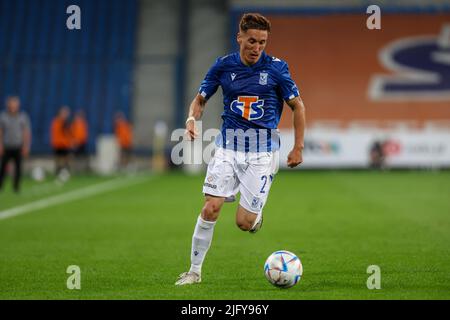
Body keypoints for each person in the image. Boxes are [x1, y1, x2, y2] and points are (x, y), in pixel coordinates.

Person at [175, 13, 306, 285]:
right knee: (211, 207)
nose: (257, 48)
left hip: (262, 152)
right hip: (227, 147)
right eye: (252, 41)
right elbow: (200, 99)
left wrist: (298, 147)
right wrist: (191, 119)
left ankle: (254, 217)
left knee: (244, 223)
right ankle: (194, 271)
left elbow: (298, 107)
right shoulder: (223, 66)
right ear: (240, 38)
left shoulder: (277, 69)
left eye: (262, 42)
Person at [0, 96, 31, 193]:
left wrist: (26, 146)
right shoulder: (3, 116)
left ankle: (16, 187)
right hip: (7, 145)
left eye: (15, 105)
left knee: (18, 168)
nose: (13, 107)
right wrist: (0, 145)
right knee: (3, 168)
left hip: (18, 145)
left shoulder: (23, 116)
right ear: (8, 105)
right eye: (11, 105)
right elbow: (0, 131)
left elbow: (26, 132)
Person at [50, 106, 72, 177]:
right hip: (58, 144)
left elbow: (68, 134)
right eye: (64, 113)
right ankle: (58, 173)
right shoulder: (57, 122)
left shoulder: (65, 122)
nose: (66, 115)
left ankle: (66, 173)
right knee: (59, 160)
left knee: (66, 159)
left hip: (64, 144)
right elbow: (57, 133)